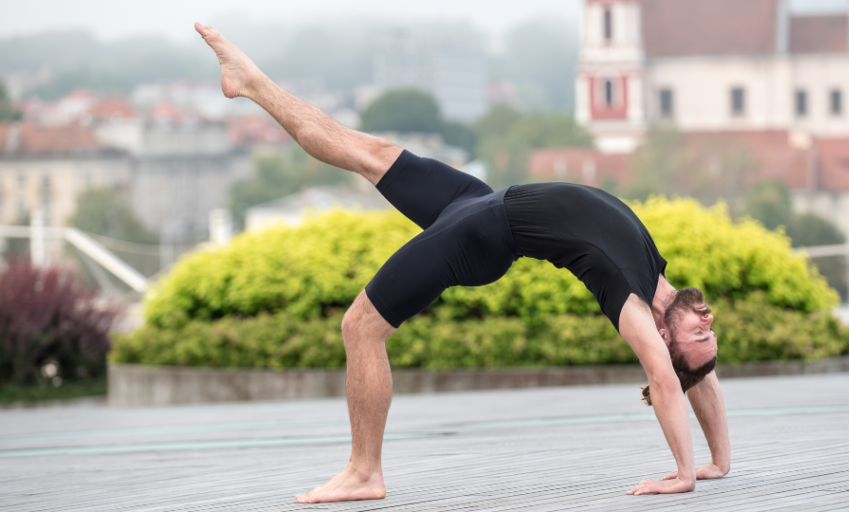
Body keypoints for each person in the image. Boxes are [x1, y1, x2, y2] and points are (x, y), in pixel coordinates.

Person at [194, 22, 731, 503]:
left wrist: (682, 473)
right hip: (480, 200)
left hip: (477, 236)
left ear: (664, 335)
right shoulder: (656, 274)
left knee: (359, 326)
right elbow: (697, 377)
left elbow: (667, 380)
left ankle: (364, 472)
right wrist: (717, 462)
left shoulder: (631, 301)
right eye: (710, 331)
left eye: (698, 336)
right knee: (369, 151)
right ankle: (252, 83)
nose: (707, 323)